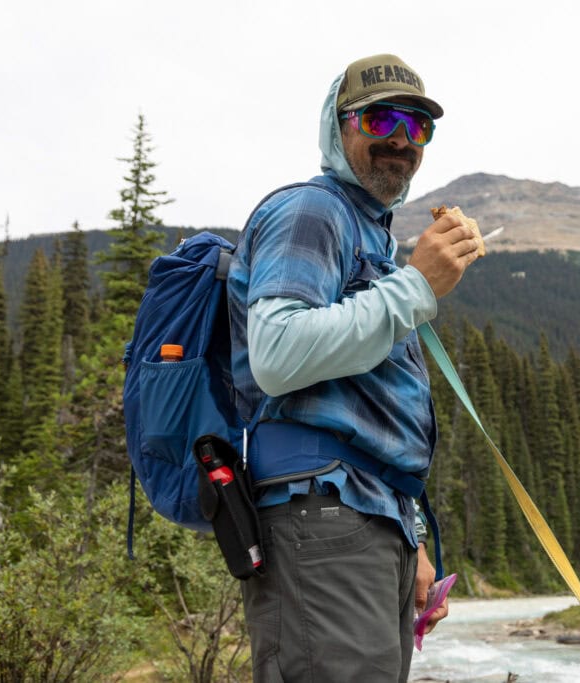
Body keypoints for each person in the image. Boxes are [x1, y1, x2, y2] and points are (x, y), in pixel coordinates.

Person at [226, 53, 481, 682]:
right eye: (380, 119)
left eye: (417, 125)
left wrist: (410, 534)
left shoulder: (375, 238)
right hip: (320, 516)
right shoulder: (312, 213)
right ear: (337, 127)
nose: (400, 138)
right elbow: (278, 355)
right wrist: (417, 285)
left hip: (367, 517)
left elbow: (367, 410)